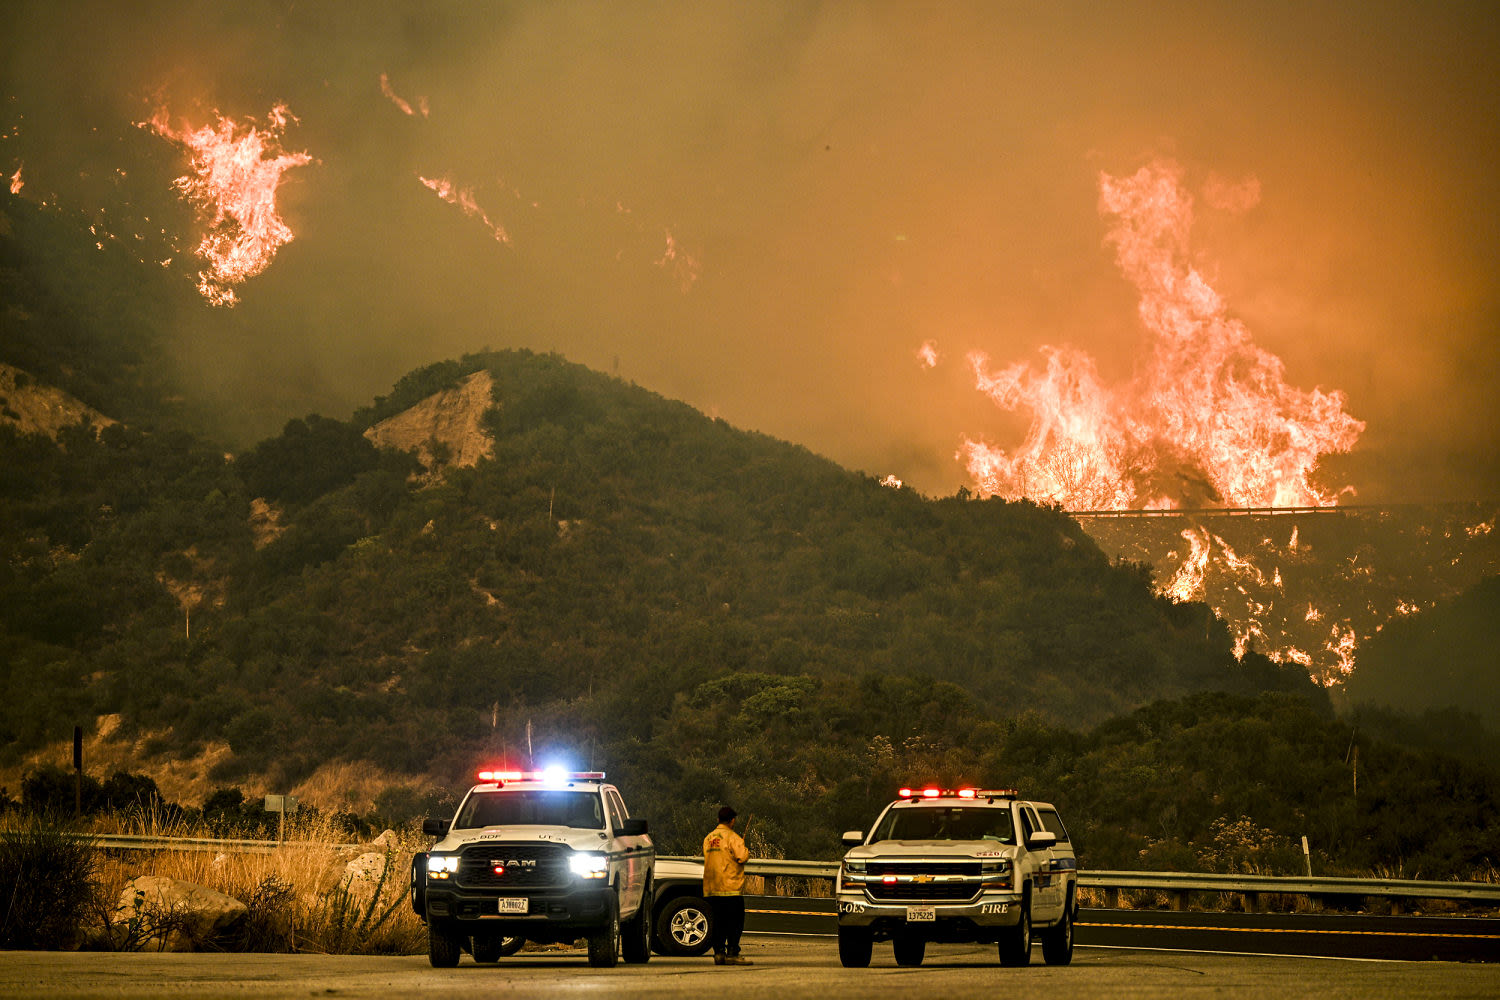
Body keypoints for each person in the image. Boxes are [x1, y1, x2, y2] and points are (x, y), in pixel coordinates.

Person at [702, 804, 753, 965]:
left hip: (712, 887)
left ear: (718, 819)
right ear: (732, 821)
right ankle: (732, 952)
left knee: (718, 921)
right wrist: (745, 849)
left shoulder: (709, 838)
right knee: (735, 922)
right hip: (731, 888)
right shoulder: (734, 838)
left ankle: (718, 953)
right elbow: (742, 857)